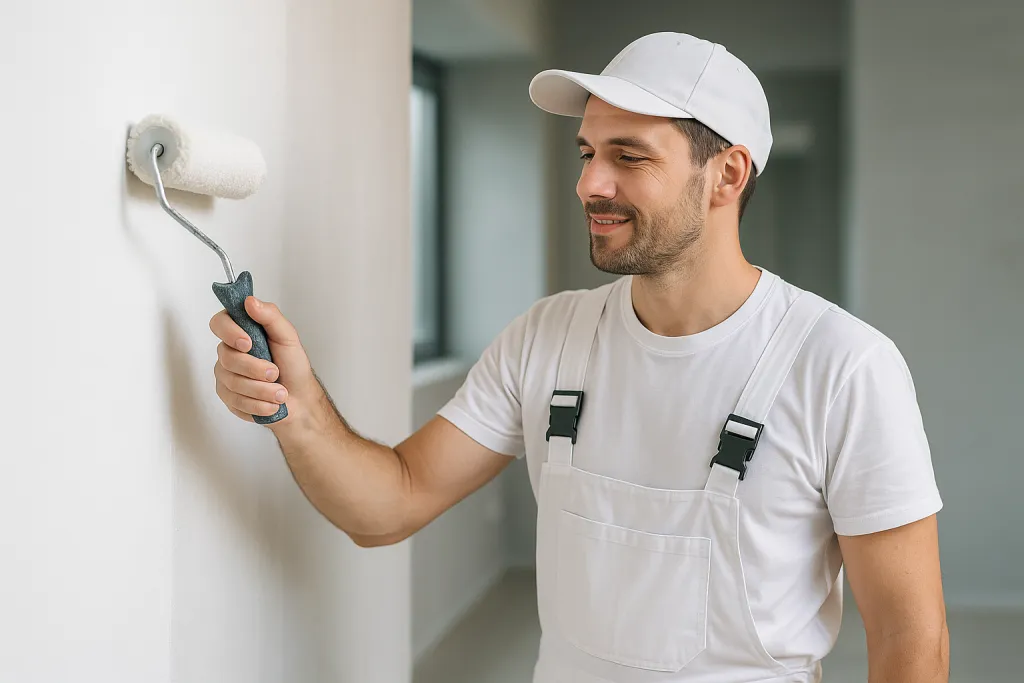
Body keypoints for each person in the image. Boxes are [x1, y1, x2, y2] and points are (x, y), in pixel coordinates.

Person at [210, 31, 948, 683]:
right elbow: (390, 502)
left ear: (726, 174)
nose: (590, 183)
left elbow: (911, 640)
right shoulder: (548, 337)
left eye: (629, 157)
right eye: (589, 153)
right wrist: (296, 409)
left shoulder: (843, 366)